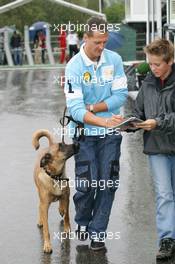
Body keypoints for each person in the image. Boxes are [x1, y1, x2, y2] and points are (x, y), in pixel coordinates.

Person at [64, 16, 128, 251]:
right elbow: (76, 109)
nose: (102, 47)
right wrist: (102, 118)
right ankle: (82, 220)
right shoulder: (73, 66)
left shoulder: (115, 60)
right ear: (85, 38)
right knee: (87, 183)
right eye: (97, 43)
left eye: (105, 42)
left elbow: (120, 95)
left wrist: (93, 107)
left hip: (111, 133)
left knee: (108, 183)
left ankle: (98, 232)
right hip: (85, 134)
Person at [133, 39, 175, 260]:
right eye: (150, 64)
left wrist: (158, 122)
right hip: (156, 147)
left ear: (170, 61)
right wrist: (131, 123)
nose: (153, 68)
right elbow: (139, 110)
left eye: (157, 64)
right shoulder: (148, 82)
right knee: (164, 195)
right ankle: (167, 239)